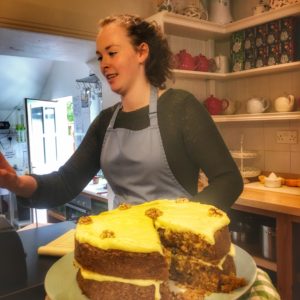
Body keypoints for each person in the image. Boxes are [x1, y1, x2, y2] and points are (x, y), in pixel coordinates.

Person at [0, 14, 243, 212]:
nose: (103, 63)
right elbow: (65, 182)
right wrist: (18, 183)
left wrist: (183, 224)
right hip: (127, 247)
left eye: (112, 53)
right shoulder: (105, 122)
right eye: (100, 56)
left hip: (177, 248)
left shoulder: (181, 108)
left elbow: (229, 180)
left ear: (142, 52)